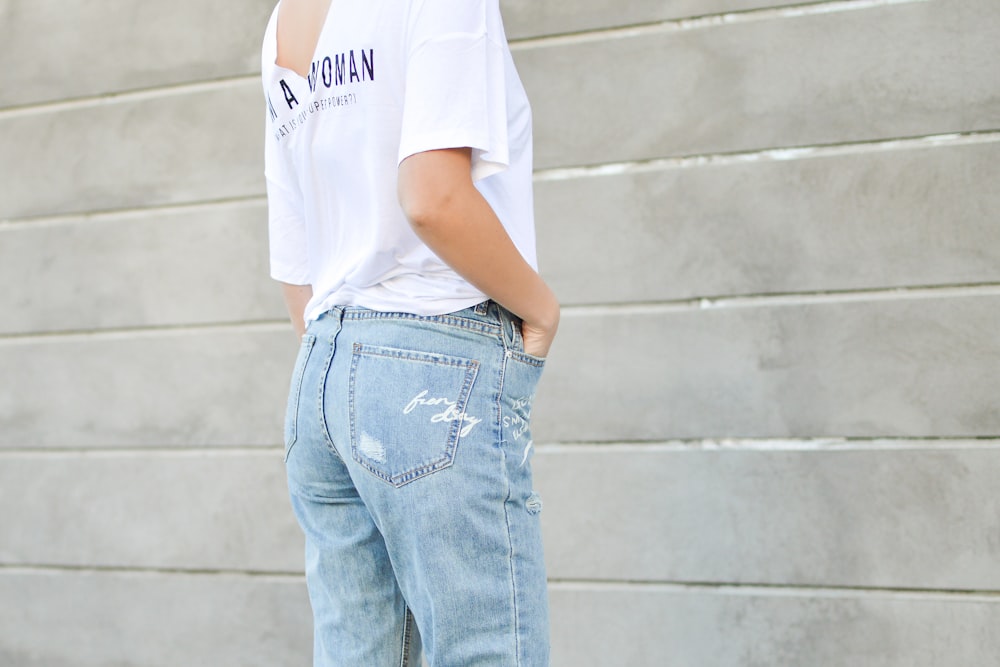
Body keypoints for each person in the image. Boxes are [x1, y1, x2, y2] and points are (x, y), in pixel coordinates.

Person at [261, 0, 558, 664]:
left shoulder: (283, 23)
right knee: (487, 646)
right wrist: (541, 311)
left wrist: (349, 372)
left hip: (322, 374)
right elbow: (432, 197)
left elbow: (296, 260)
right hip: (434, 355)